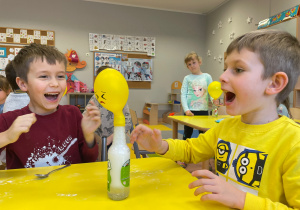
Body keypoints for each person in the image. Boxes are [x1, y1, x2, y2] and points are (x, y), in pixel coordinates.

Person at [130, 30, 300, 209]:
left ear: (274, 83)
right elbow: (191, 150)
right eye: (225, 68)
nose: (222, 77)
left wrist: (242, 199)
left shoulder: (293, 142)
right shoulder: (225, 128)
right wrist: (161, 146)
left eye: (238, 69)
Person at [0, 43, 100, 169]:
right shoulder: (8, 120)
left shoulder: (73, 114)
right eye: (44, 76)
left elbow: (89, 160)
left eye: (60, 76)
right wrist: (7, 136)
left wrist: (89, 135)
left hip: (69, 187)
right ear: (23, 84)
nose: (55, 83)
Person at [83, 66, 132, 161]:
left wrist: (112, 137)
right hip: (98, 138)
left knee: (115, 159)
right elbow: (86, 116)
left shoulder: (119, 96)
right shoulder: (96, 97)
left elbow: (127, 123)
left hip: (115, 137)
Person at [181, 52, 213, 140]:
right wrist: (186, 110)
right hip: (190, 111)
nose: (192, 66)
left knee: (203, 135)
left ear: (199, 62)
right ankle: (184, 151)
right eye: (189, 64)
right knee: (187, 133)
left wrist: (214, 100)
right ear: (187, 67)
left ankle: (202, 152)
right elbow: (183, 94)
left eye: (194, 62)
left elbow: (211, 92)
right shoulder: (187, 78)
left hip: (203, 110)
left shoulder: (207, 77)